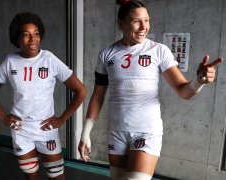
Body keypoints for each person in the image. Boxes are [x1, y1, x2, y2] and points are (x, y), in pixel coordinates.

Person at [78, 0, 223, 180]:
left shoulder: (158, 51)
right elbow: (98, 95)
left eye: (146, 20)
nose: (143, 27)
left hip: (146, 131)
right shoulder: (107, 54)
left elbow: (183, 91)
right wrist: (85, 132)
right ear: (121, 24)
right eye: (136, 21)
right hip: (116, 131)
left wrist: (199, 80)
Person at [0, 12, 86, 180]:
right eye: (26, 35)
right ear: (17, 39)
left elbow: (81, 90)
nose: (32, 40)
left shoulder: (49, 59)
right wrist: (3, 116)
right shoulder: (10, 61)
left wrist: (61, 119)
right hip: (21, 129)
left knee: (57, 177)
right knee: (32, 177)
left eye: (36, 34)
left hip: (45, 129)